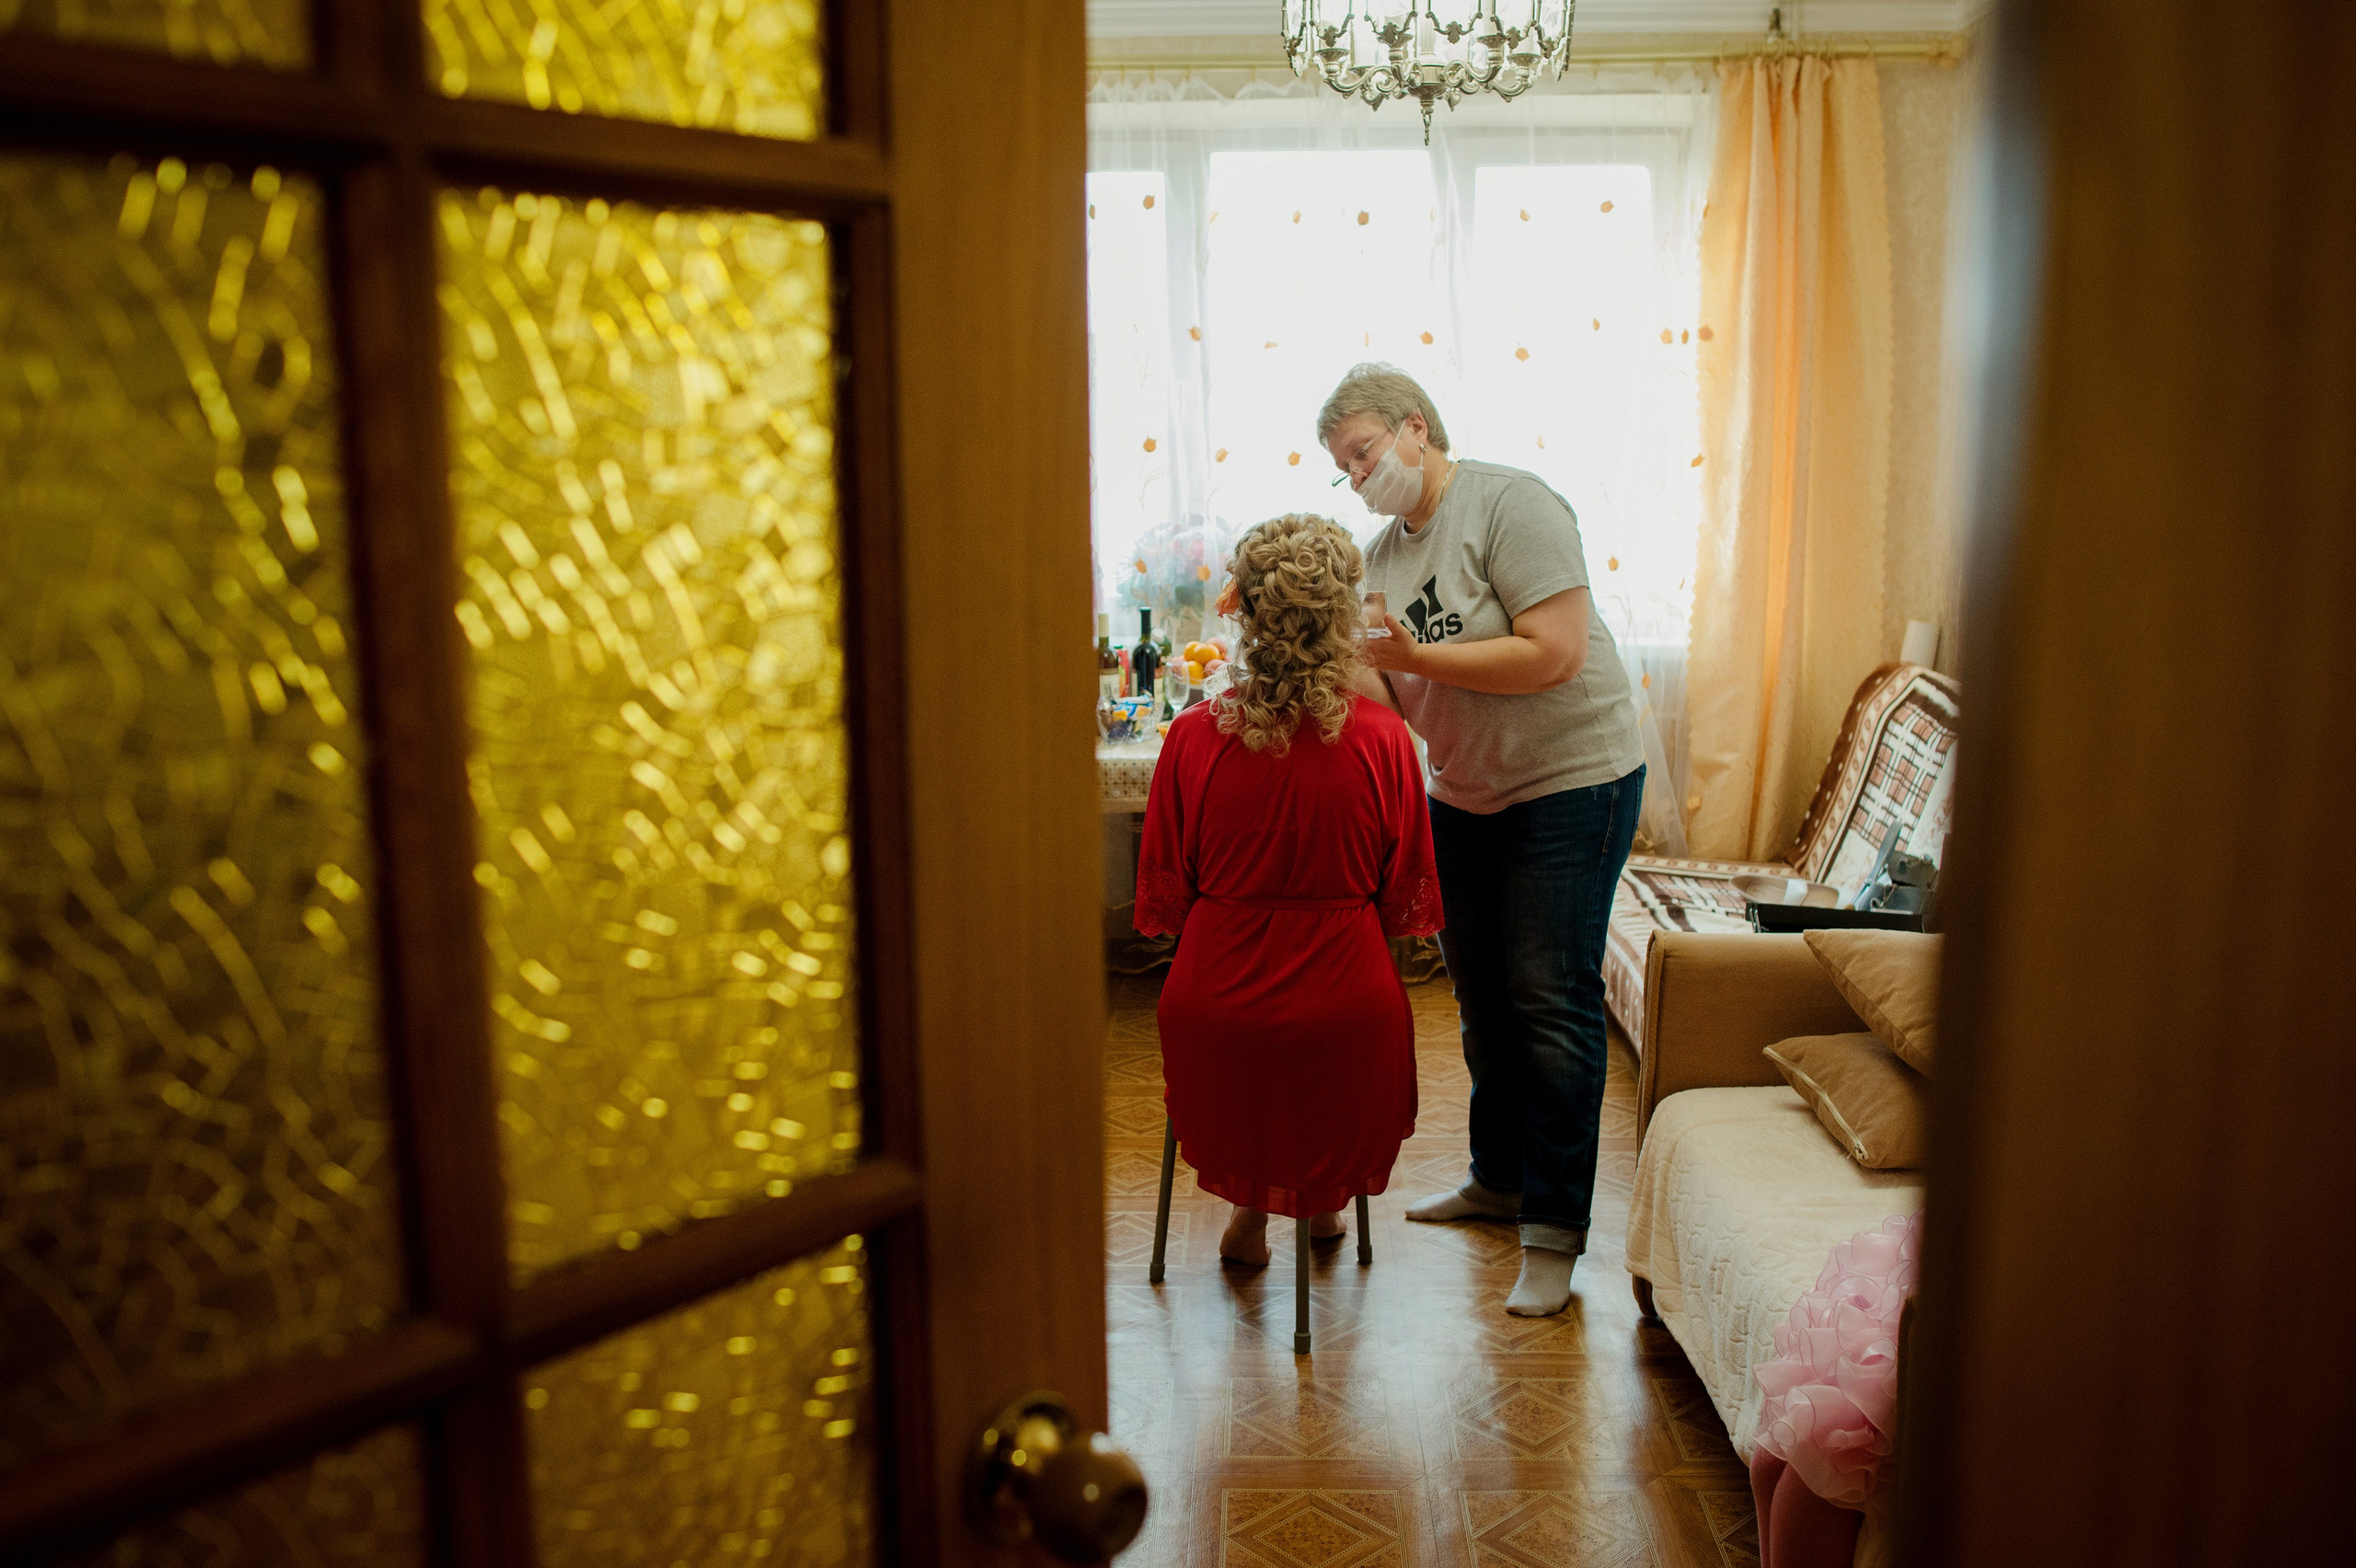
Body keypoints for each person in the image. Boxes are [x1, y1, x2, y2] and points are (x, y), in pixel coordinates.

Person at [1319, 362, 1646, 1318]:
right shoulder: (1380, 558)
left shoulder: (1512, 506)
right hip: (1465, 791)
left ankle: (1552, 1232)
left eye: (1364, 454)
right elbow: (1394, 695)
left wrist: (1415, 657)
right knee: (1483, 1000)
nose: (1356, 478)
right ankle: (1496, 1180)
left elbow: (1554, 653)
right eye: (1341, 469)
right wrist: (1314, 657)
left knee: (1549, 999)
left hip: (1572, 781)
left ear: (1416, 429)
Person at [1136, 513, 1442, 1266]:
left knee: (1255, 1042)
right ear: (1345, 616)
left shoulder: (1191, 737)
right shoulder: (1382, 740)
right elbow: (1406, 901)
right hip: (1346, 998)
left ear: (1243, 609)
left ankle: (1251, 1218)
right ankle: (1323, 1205)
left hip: (1217, 998)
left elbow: (1167, 897)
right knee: (1331, 1036)